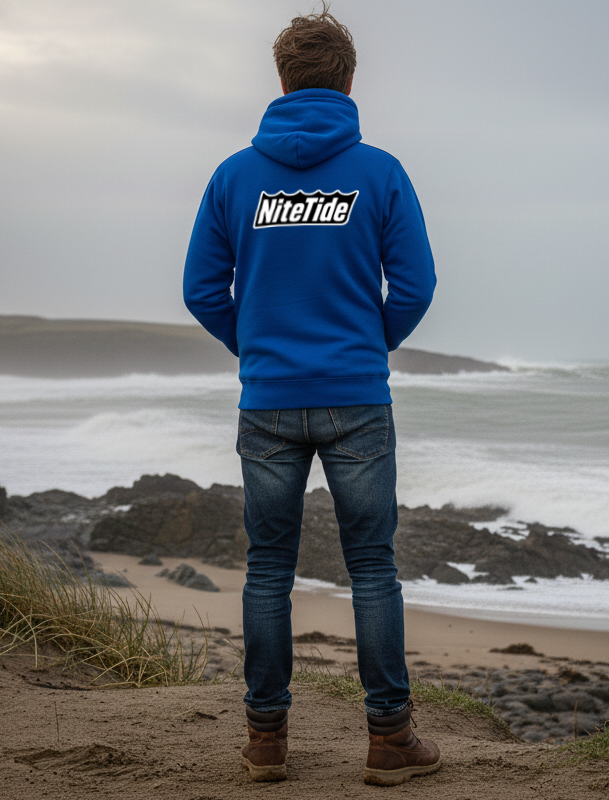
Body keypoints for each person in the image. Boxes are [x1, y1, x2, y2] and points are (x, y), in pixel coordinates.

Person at [183, 3, 438, 786]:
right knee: (371, 568)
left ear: (282, 80)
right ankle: (389, 741)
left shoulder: (235, 175)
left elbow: (201, 289)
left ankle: (266, 742)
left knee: (268, 569)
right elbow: (417, 286)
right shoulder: (380, 172)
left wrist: (257, 349)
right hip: (358, 396)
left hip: (267, 402)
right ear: (349, 80)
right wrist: (366, 347)